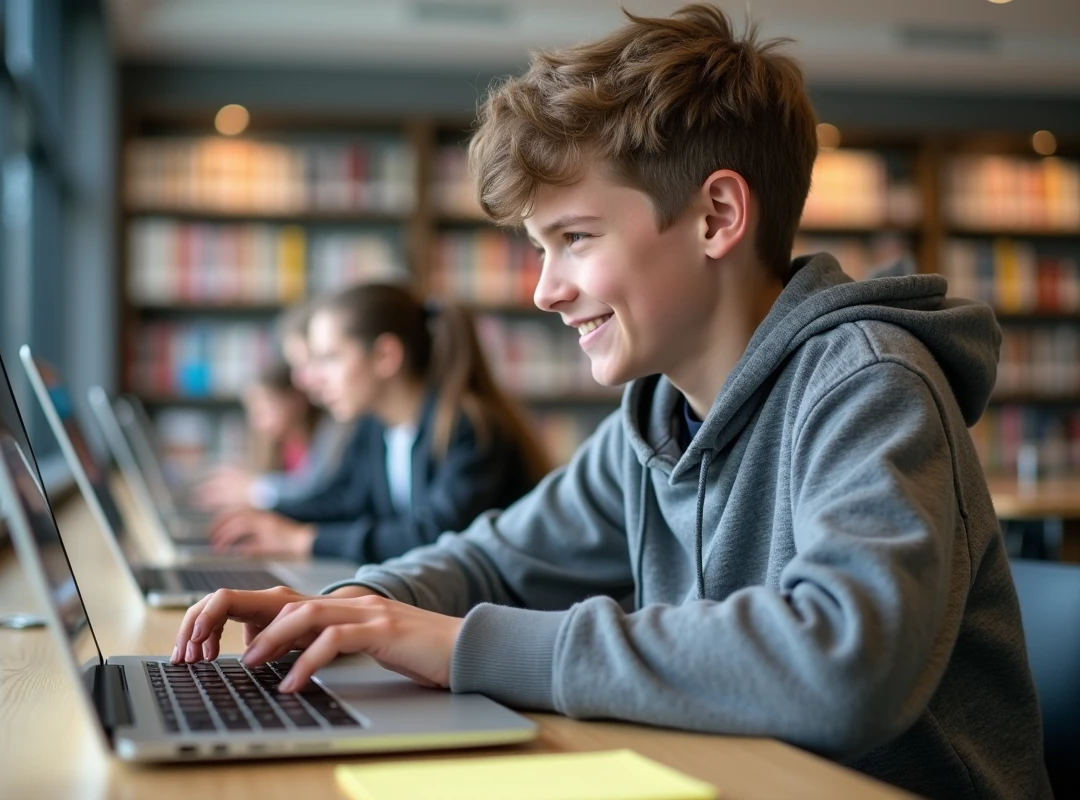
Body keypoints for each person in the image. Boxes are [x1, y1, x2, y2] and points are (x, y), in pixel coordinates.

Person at [172, 6, 1049, 797]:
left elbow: (842, 666)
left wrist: (460, 646)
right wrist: (350, 606)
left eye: (576, 239)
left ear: (716, 217)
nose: (546, 291)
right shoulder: (655, 421)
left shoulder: (868, 384)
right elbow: (496, 560)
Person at [205, 281, 551, 564]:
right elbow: (345, 502)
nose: (311, 380)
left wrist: (303, 540)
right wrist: (267, 515)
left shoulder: (469, 427)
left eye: (329, 359)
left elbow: (436, 537)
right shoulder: (376, 427)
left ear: (386, 356)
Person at [195, 302, 352, 511]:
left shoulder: (338, 429)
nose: (304, 380)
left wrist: (255, 491)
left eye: (325, 360)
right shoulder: (279, 446)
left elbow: (321, 494)